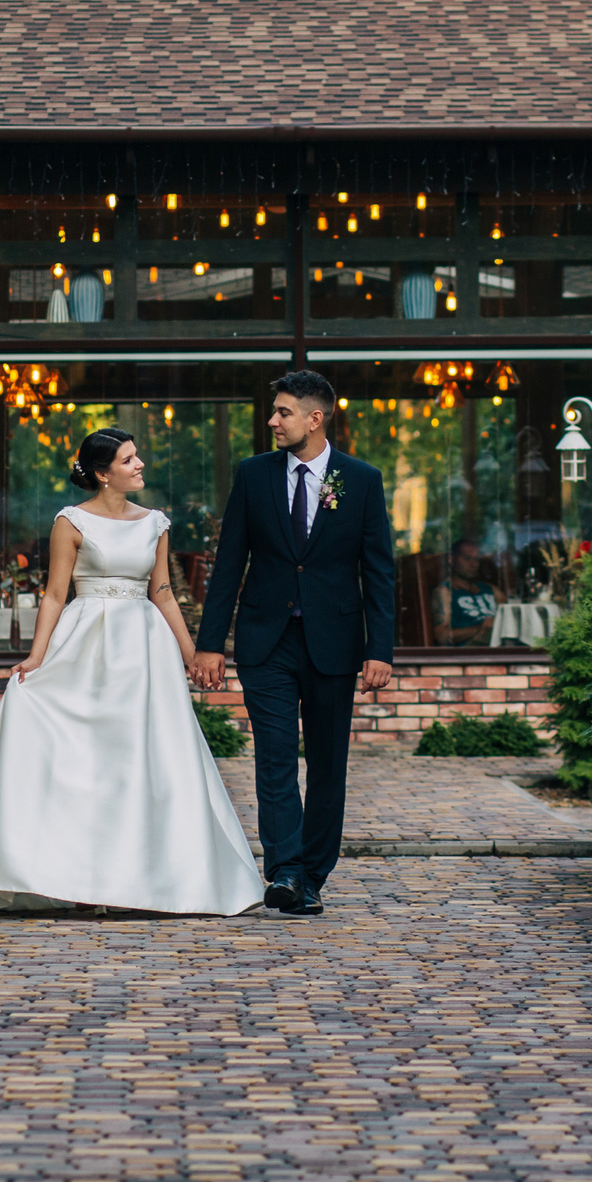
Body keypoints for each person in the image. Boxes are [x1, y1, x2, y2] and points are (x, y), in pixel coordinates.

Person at [0, 428, 263, 916]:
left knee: (144, 756)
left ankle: (150, 877)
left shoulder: (156, 523)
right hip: (85, 642)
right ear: (103, 474)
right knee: (87, 760)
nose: (140, 464)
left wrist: (191, 652)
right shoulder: (71, 522)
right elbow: (56, 594)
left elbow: (161, 591)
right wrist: (36, 658)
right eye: (128, 459)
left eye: (137, 456)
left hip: (143, 648)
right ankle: (72, 877)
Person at [192, 370, 396, 915]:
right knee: (275, 758)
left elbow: (379, 572)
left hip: (334, 643)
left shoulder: (361, 479)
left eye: (283, 412)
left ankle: (312, 874)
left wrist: (381, 649)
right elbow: (229, 562)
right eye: (273, 411)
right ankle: (283, 871)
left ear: (315, 417)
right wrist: (209, 643)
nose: (273, 420)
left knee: (328, 763)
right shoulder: (254, 475)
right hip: (267, 641)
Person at [432, 539, 501, 647]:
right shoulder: (445, 592)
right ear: (452, 560)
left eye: (476, 559)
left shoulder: (491, 590)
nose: (473, 564)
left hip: (501, 648)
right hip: (470, 653)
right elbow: (442, 636)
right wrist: (480, 628)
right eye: (467, 558)